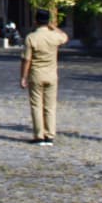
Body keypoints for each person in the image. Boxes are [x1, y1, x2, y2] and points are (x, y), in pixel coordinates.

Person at [20, 8, 69, 145]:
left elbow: (27, 60)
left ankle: (39, 135)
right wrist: (53, 27)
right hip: (51, 74)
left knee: (36, 105)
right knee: (50, 106)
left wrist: (23, 77)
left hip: (36, 73)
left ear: (35, 21)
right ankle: (50, 135)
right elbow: (65, 37)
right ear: (48, 21)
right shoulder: (54, 36)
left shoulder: (31, 37)